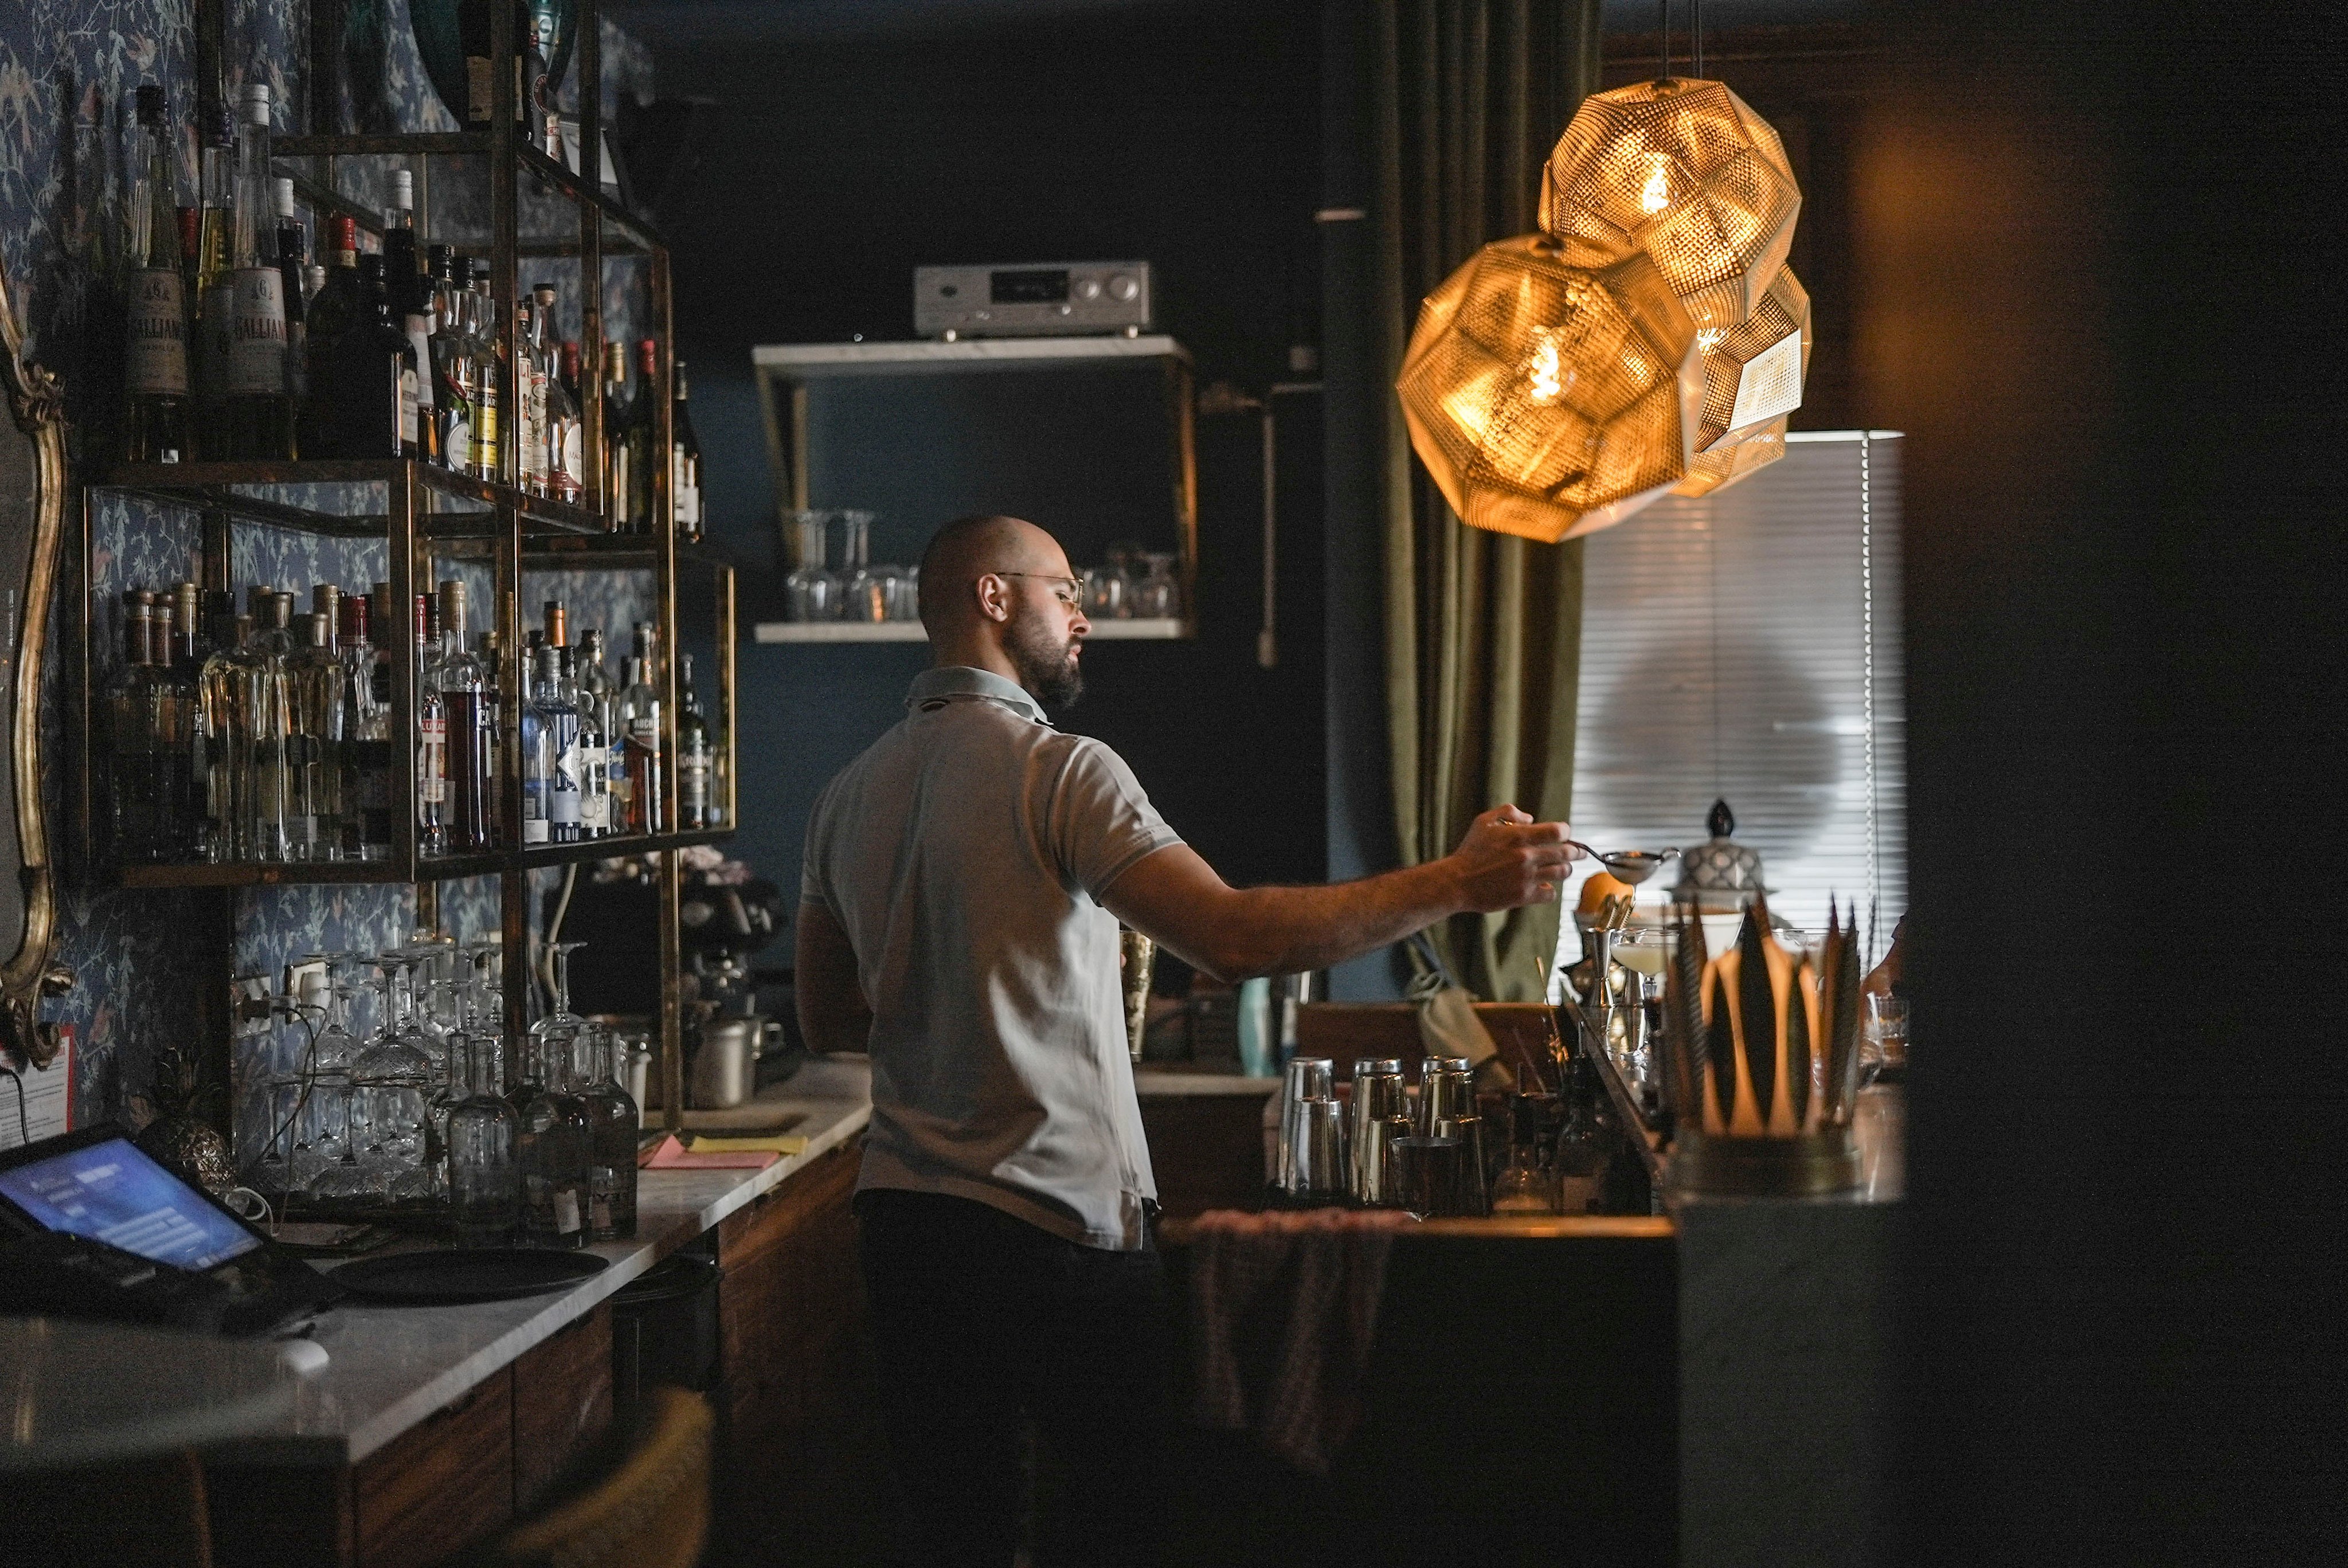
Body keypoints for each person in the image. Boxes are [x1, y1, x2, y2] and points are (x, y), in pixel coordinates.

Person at [795, 513, 1581, 1566]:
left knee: (954, 1535)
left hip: (906, 1234)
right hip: (1054, 1235)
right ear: (991, 598)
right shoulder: (1063, 771)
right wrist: (1455, 883)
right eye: (1064, 590)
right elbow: (1232, 939)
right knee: (1113, 1537)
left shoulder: (844, 797)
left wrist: (953, 989)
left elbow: (829, 1019)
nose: (1084, 617)